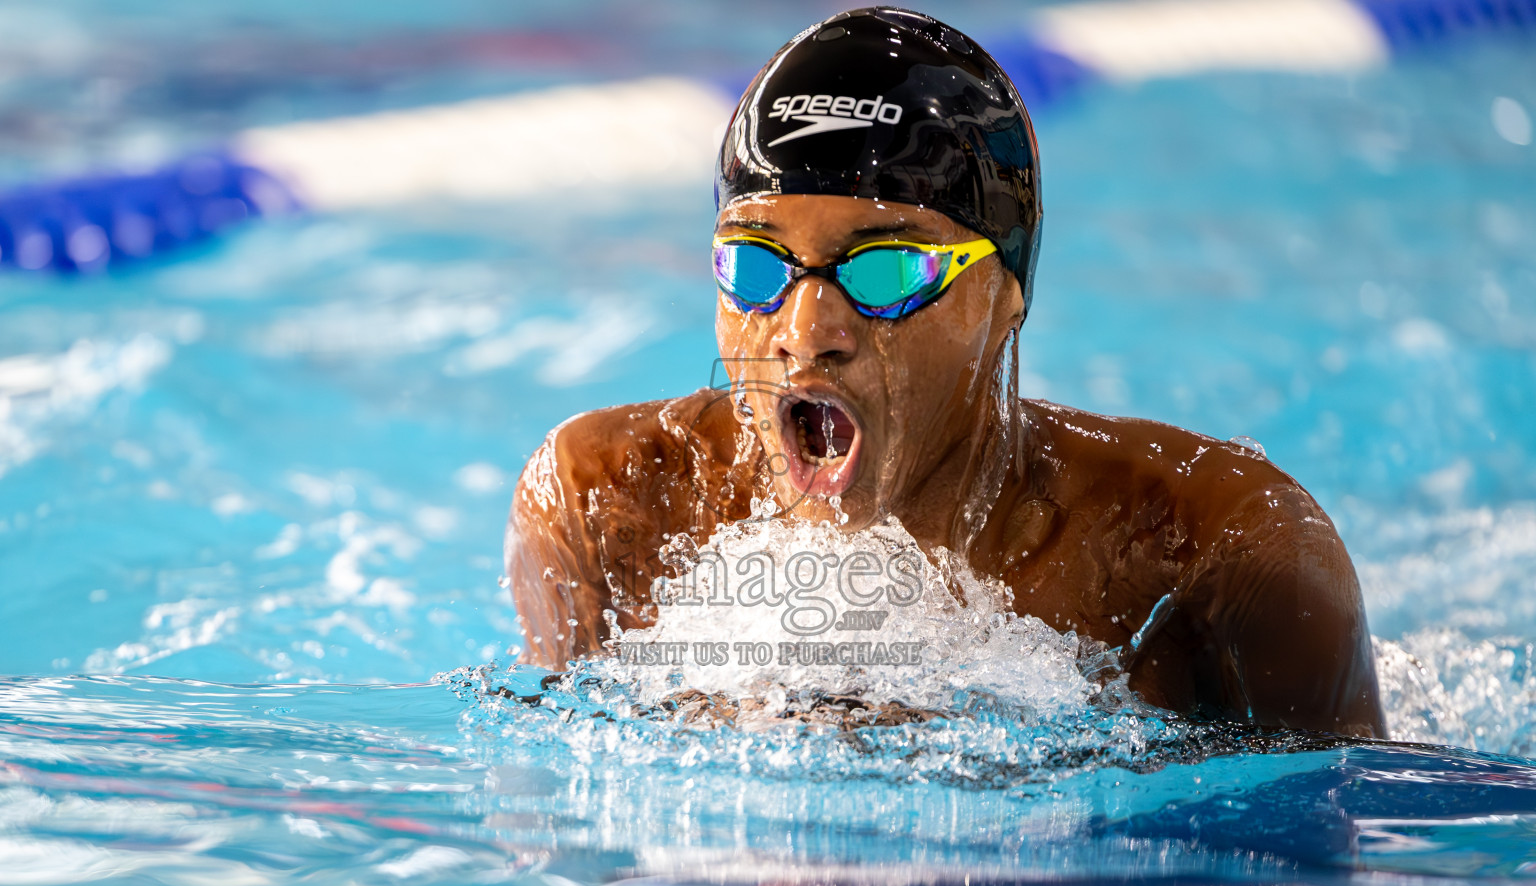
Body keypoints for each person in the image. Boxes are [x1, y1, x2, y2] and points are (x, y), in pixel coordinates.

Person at [505, 7, 1385, 738]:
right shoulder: (607, 505)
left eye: (884, 271)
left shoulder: (1214, 554)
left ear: (1005, 293)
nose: (806, 332)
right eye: (758, 268)